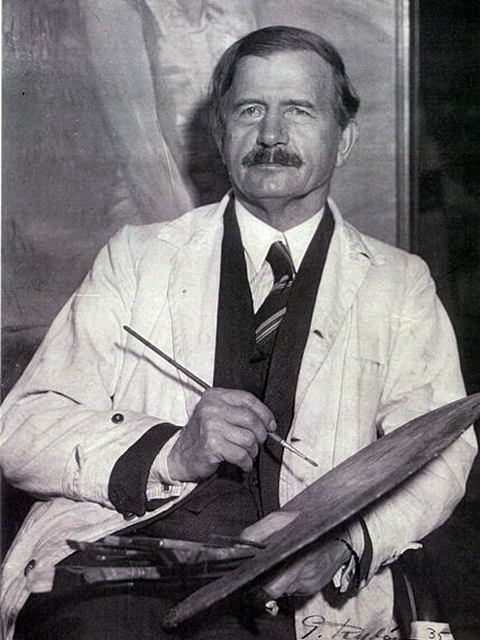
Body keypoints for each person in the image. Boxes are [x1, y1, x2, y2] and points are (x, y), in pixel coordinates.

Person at [1, 25, 476, 640]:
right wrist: (172, 451)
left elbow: (440, 451)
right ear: (221, 136)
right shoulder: (137, 258)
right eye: (250, 110)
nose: (271, 135)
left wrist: (340, 541)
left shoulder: (399, 283)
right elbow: (22, 427)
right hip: (123, 581)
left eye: (299, 111)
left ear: (344, 141)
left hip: (297, 597)